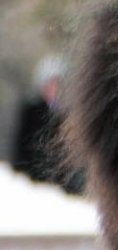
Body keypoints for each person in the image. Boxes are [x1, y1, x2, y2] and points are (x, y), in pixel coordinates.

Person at [11, 55, 83, 194]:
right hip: (32, 182)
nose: (54, 88)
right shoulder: (31, 110)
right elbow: (22, 144)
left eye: (57, 84)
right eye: (51, 83)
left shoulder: (65, 115)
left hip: (58, 188)